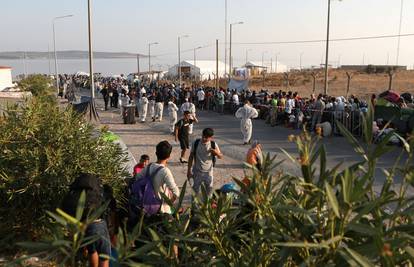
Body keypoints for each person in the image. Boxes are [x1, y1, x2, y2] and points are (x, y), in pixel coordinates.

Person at [61, 173, 111, 267]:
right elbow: (108, 204)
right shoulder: (98, 192)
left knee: (92, 251)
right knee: (104, 256)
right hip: (98, 225)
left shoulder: (75, 193)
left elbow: (64, 208)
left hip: (82, 227)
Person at [133, 141, 180, 215]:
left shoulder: (149, 166)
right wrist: (169, 203)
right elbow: (176, 192)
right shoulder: (165, 171)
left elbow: (137, 178)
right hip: (161, 209)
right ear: (169, 157)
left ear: (156, 153)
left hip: (146, 205)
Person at [187, 128, 223, 197]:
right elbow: (191, 157)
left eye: (206, 137)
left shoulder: (213, 145)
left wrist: (216, 153)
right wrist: (189, 170)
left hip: (208, 173)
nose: (203, 138)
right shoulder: (196, 143)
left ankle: (207, 207)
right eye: (203, 136)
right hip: (197, 172)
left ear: (211, 138)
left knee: (209, 193)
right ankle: (194, 207)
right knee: (195, 193)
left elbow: (220, 156)